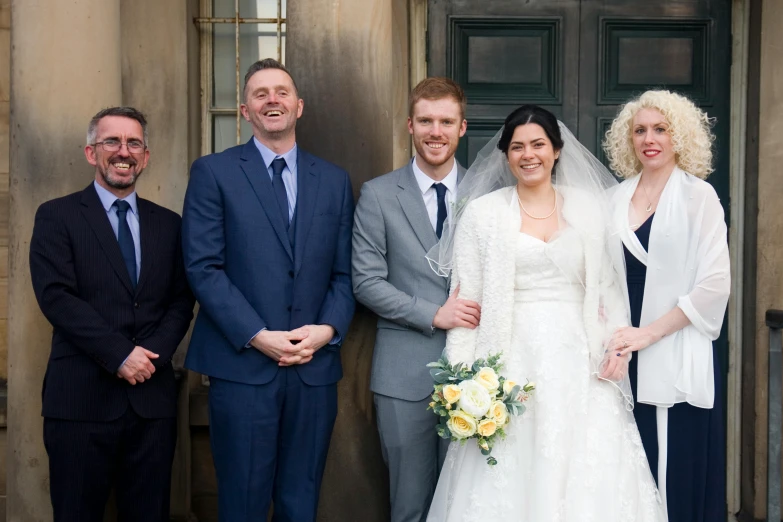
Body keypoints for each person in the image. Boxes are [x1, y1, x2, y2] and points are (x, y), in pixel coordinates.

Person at [426, 105, 667, 521]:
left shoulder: (591, 208)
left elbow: (608, 290)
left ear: (556, 150)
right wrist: (465, 381)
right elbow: (468, 305)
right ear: (506, 156)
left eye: (538, 144)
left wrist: (617, 347)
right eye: (517, 147)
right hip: (510, 361)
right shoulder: (483, 215)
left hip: (581, 361)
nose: (528, 154)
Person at [182, 58, 355, 522]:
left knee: (302, 501)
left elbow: (345, 273)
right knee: (242, 502)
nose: (272, 100)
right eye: (260, 94)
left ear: (299, 106)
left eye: (281, 92)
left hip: (313, 367)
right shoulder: (213, 173)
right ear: (245, 110)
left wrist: (327, 330)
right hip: (242, 367)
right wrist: (258, 334)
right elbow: (203, 268)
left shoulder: (334, 180)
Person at [29, 106, 195, 522]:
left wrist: (149, 355)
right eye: (112, 142)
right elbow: (57, 298)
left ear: (146, 155)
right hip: (81, 401)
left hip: (151, 402)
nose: (124, 151)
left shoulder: (170, 225)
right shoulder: (57, 216)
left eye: (134, 143)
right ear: (91, 153)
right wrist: (120, 355)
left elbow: (181, 302)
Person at [352, 77, 481, 522]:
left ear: (462, 128)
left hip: (478, 377)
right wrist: (434, 314)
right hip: (404, 376)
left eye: (446, 121)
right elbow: (366, 282)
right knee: (408, 505)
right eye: (426, 120)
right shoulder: (379, 194)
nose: (435, 131)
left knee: (465, 504)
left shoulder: (487, 196)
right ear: (410, 124)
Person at [604, 89, 730, 521]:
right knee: (627, 472)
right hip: (623, 352)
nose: (649, 139)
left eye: (661, 129)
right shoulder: (613, 200)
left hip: (675, 346)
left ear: (680, 136)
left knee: (678, 469)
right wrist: (620, 338)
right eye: (639, 130)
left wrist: (650, 333)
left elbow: (714, 285)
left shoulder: (700, 197)